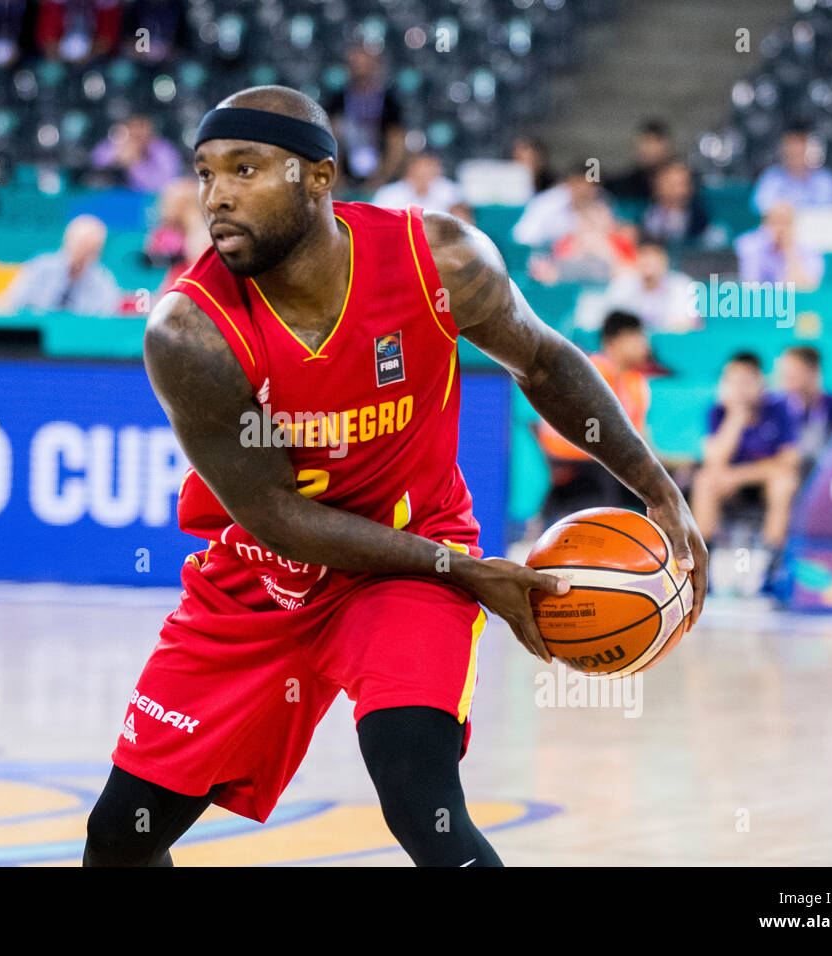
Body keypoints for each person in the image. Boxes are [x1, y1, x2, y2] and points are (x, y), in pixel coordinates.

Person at [82, 86, 706, 868]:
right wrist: (470, 572)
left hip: (408, 560)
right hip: (264, 580)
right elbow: (277, 515)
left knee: (421, 801)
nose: (218, 196)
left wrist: (658, 488)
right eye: (206, 175)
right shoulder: (190, 329)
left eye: (244, 169)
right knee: (118, 839)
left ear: (319, 176)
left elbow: (543, 362)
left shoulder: (437, 258)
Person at [537, 312, 653, 524]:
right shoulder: (590, 371)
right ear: (614, 341)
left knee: (659, 484)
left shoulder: (636, 383)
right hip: (571, 452)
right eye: (637, 337)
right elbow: (588, 429)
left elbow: (640, 437)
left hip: (605, 461)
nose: (645, 345)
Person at [691, 352, 801, 550]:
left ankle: (773, 554)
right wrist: (736, 417)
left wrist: (737, 476)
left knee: (784, 483)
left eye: (745, 382)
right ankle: (703, 552)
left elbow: (789, 462)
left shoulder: (780, 408)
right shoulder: (717, 412)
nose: (738, 389)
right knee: (704, 481)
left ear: (761, 382)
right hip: (730, 486)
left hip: (763, 483)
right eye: (732, 382)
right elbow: (713, 461)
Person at [324, 43, 407, 192]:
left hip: (381, 170)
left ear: (377, 68)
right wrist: (337, 176)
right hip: (344, 169)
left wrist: (383, 176)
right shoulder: (338, 100)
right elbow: (329, 137)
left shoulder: (389, 101)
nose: (361, 71)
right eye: (356, 66)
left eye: (367, 66)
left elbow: (397, 140)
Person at [4, 214, 122, 315]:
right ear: (67, 240)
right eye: (80, 244)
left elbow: (108, 314)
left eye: (90, 248)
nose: (83, 252)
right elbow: (13, 304)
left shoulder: (103, 280)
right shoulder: (40, 266)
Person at [592, 238, 700, 332]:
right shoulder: (623, 284)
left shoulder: (681, 285)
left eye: (654, 256)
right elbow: (609, 322)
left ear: (665, 260)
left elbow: (683, 325)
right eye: (644, 256)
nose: (649, 262)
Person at [775, 346, 832, 476]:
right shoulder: (776, 408)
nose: (786, 377)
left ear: (814, 371)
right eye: (784, 371)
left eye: (793, 371)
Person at [530, 199, 636, 285]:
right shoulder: (566, 242)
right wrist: (579, 249)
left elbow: (632, 273)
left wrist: (603, 250)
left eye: (599, 217)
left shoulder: (620, 242)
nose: (593, 225)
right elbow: (554, 274)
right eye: (589, 220)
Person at [511, 159, 603, 247]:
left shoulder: (600, 204)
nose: (587, 191)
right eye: (583, 184)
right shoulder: (547, 203)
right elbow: (523, 236)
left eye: (592, 186)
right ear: (572, 182)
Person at [734, 201, 824, 289]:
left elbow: (805, 288)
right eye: (775, 222)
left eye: (786, 223)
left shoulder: (809, 249)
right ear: (764, 224)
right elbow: (750, 283)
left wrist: (789, 251)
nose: (781, 229)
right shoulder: (750, 244)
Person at [751, 126, 832, 214]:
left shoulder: (826, 179)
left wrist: (791, 210)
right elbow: (761, 206)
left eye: (800, 152)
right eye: (791, 151)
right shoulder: (771, 176)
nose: (795, 156)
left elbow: (826, 210)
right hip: (779, 226)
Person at [90, 114, 182, 192]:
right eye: (134, 127)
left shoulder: (163, 149)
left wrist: (135, 163)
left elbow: (165, 184)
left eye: (142, 127)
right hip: (113, 199)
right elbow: (96, 163)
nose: (138, 133)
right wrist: (118, 156)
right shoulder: (117, 144)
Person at [371, 152, 473, 222]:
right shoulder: (389, 194)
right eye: (421, 173)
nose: (425, 178)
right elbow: (375, 222)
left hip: (440, 247)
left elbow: (464, 223)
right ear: (409, 172)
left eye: (430, 172)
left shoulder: (448, 190)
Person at [641, 161, 711, 246]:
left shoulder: (703, 221)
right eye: (671, 184)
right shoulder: (644, 216)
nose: (678, 190)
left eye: (682, 184)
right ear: (657, 187)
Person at [607, 119, 676, 201]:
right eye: (647, 142)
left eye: (655, 142)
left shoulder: (683, 188)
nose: (650, 149)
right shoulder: (622, 186)